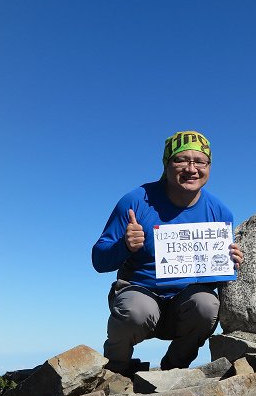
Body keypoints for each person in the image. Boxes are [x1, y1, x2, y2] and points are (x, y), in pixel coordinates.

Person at [92, 130, 244, 375]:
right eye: (181, 160)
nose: (191, 168)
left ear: (209, 166)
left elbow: (212, 281)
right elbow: (99, 260)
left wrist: (230, 264)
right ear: (166, 164)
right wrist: (125, 246)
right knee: (136, 310)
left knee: (207, 305)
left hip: (183, 305)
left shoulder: (219, 212)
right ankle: (114, 370)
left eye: (200, 161)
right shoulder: (136, 201)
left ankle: (174, 371)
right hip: (139, 295)